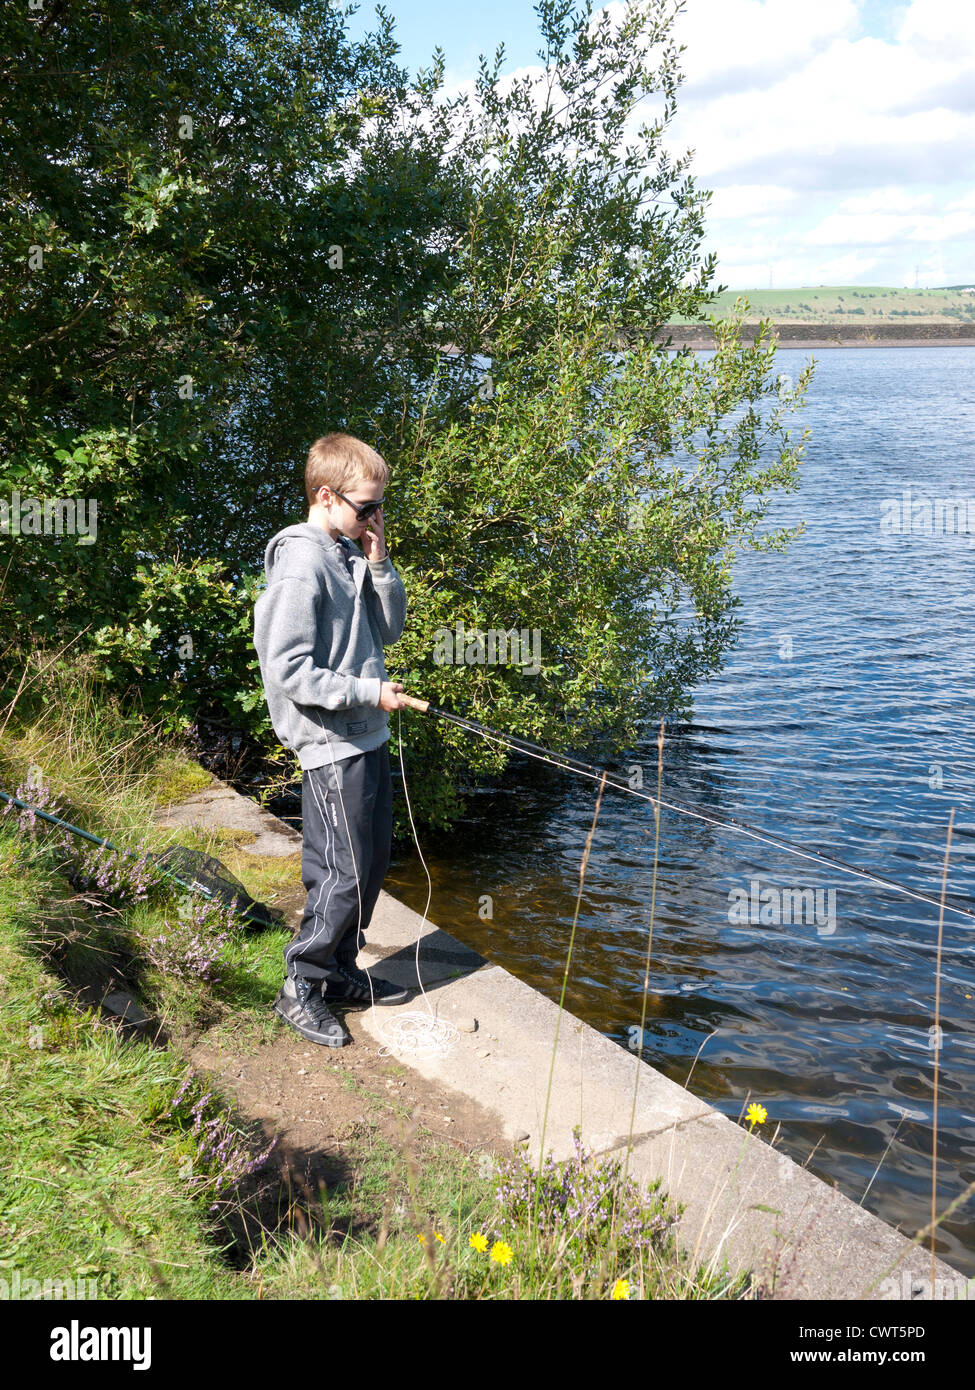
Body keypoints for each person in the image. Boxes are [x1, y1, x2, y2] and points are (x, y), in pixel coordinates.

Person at [253, 432, 410, 1046]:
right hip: (329, 743)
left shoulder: (349, 551)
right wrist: (368, 693)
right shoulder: (300, 563)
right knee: (340, 873)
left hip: (367, 738)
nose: (376, 517)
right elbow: (287, 669)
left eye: (381, 506)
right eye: (367, 507)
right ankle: (302, 986)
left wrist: (379, 562)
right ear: (326, 495)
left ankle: (343, 972)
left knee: (370, 866)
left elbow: (388, 631)